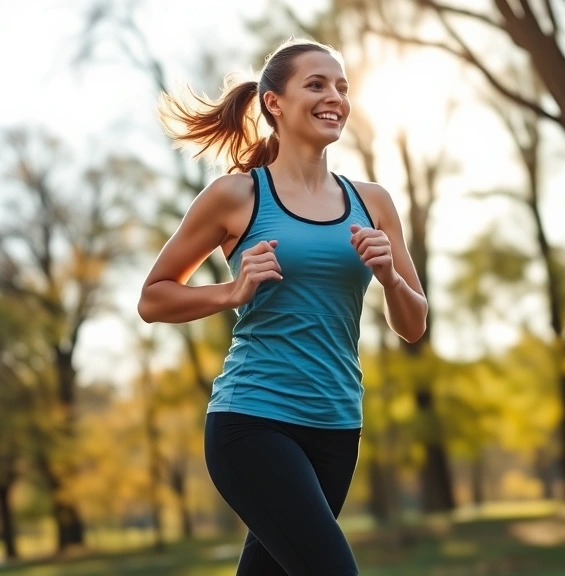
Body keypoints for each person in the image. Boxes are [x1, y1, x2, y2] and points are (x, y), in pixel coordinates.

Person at [136, 37, 428, 576]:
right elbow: (153, 298)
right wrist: (230, 292)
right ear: (274, 102)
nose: (333, 98)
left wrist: (388, 277)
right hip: (252, 420)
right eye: (315, 85)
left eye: (341, 87)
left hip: (337, 426)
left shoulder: (373, 202)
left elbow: (413, 324)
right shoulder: (238, 196)